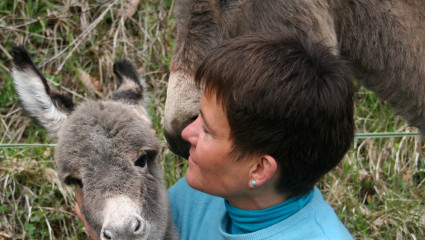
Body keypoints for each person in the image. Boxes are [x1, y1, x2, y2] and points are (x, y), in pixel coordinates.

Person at [75, 33, 354, 239]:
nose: (186, 132)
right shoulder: (200, 195)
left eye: (207, 129)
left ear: (258, 168)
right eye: (197, 115)